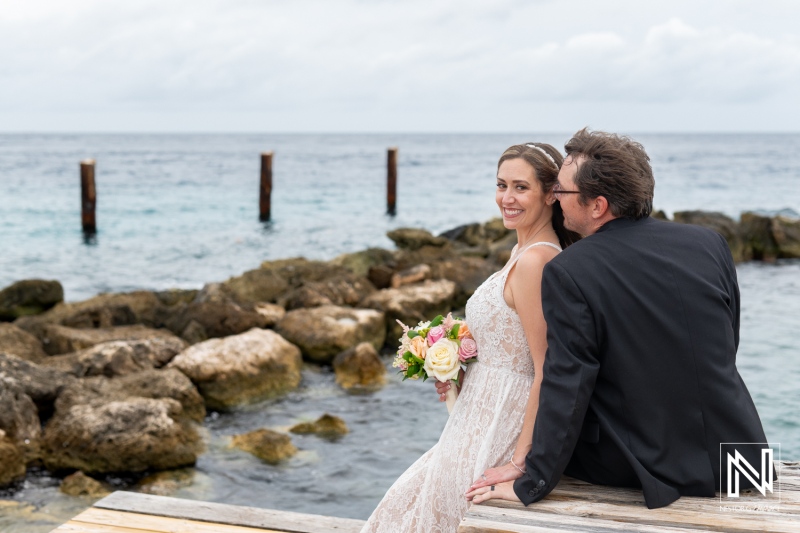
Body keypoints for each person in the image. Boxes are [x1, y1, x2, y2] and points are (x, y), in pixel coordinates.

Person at [466, 128, 769, 509]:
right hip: (740, 456)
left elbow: (568, 383)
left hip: (641, 465)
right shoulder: (709, 242)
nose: (555, 200)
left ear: (598, 206)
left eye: (561, 192)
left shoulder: (570, 270)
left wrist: (533, 480)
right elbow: (728, 342)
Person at [360, 143, 580, 532]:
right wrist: (460, 365)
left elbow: (546, 367)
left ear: (550, 194)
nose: (506, 199)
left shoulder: (535, 261)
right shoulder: (521, 249)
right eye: (501, 185)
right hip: (476, 413)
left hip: (500, 422)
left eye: (520, 188)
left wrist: (520, 461)